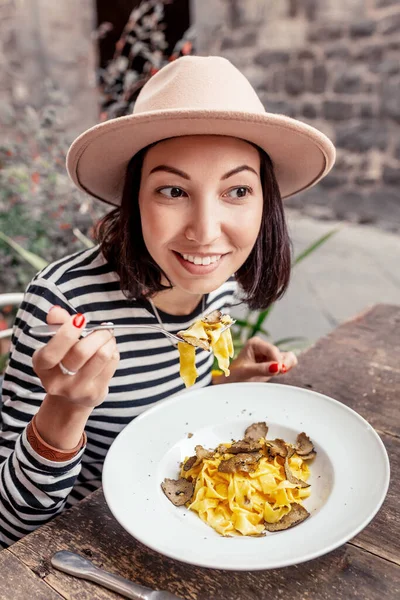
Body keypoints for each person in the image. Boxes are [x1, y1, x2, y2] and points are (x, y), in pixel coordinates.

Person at [0, 55, 335, 548]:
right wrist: (64, 412)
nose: (205, 232)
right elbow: (9, 526)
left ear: (266, 203)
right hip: (87, 549)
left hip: (196, 527)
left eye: (237, 190)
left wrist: (228, 377)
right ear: (134, 197)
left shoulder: (220, 280)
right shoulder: (64, 303)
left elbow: (179, 397)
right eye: (173, 190)